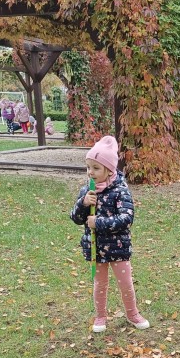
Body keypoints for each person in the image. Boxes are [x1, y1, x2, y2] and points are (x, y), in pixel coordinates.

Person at [70, 135, 150, 333]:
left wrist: (99, 222)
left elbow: (126, 218)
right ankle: (100, 317)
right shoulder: (87, 191)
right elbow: (76, 217)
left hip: (118, 247)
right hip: (96, 248)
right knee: (100, 284)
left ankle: (132, 314)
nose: (91, 172)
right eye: (88, 167)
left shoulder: (120, 190)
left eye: (96, 168)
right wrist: (83, 204)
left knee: (125, 284)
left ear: (109, 169)